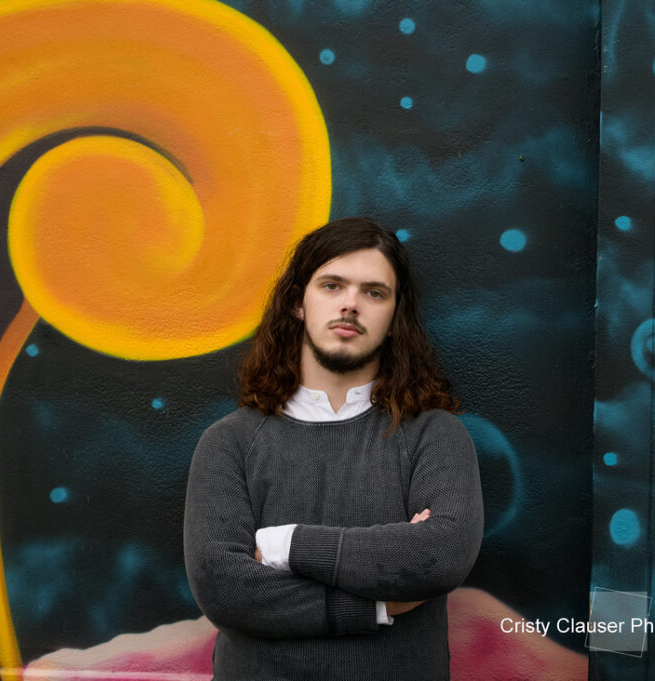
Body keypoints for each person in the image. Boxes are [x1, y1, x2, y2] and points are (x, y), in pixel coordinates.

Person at [183, 216, 483, 681]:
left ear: (394, 316)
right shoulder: (230, 443)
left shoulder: (434, 435)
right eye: (331, 285)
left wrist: (283, 545)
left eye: (373, 292)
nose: (350, 305)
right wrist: (377, 604)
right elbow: (226, 590)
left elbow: (440, 555)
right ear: (298, 303)